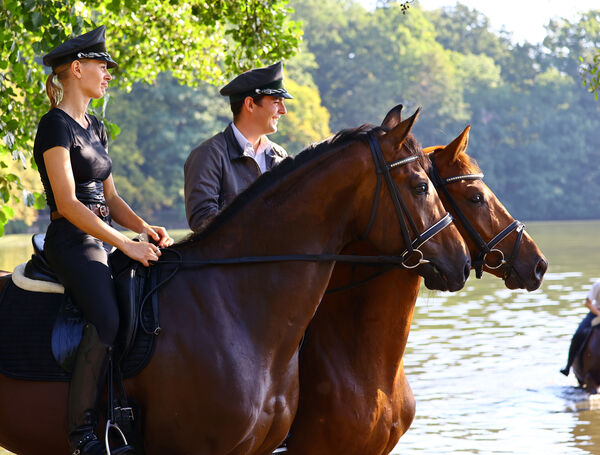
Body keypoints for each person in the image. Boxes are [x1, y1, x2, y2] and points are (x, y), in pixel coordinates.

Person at [35, 25, 173, 455]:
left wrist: (144, 228)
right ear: (77, 69)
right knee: (108, 320)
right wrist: (126, 244)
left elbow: (111, 197)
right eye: (103, 66)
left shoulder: (95, 127)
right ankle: (81, 435)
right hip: (71, 238)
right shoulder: (53, 126)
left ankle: (124, 409)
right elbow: (69, 202)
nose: (109, 74)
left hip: (102, 236)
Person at [184, 61, 293, 232]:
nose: (283, 110)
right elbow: (202, 218)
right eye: (276, 101)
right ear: (250, 104)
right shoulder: (208, 154)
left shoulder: (280, 155)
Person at [561, 279, 600, 376]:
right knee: (579, 333)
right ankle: (568, 366)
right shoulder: (598, 284)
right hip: (595, 314)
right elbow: (588, 303)